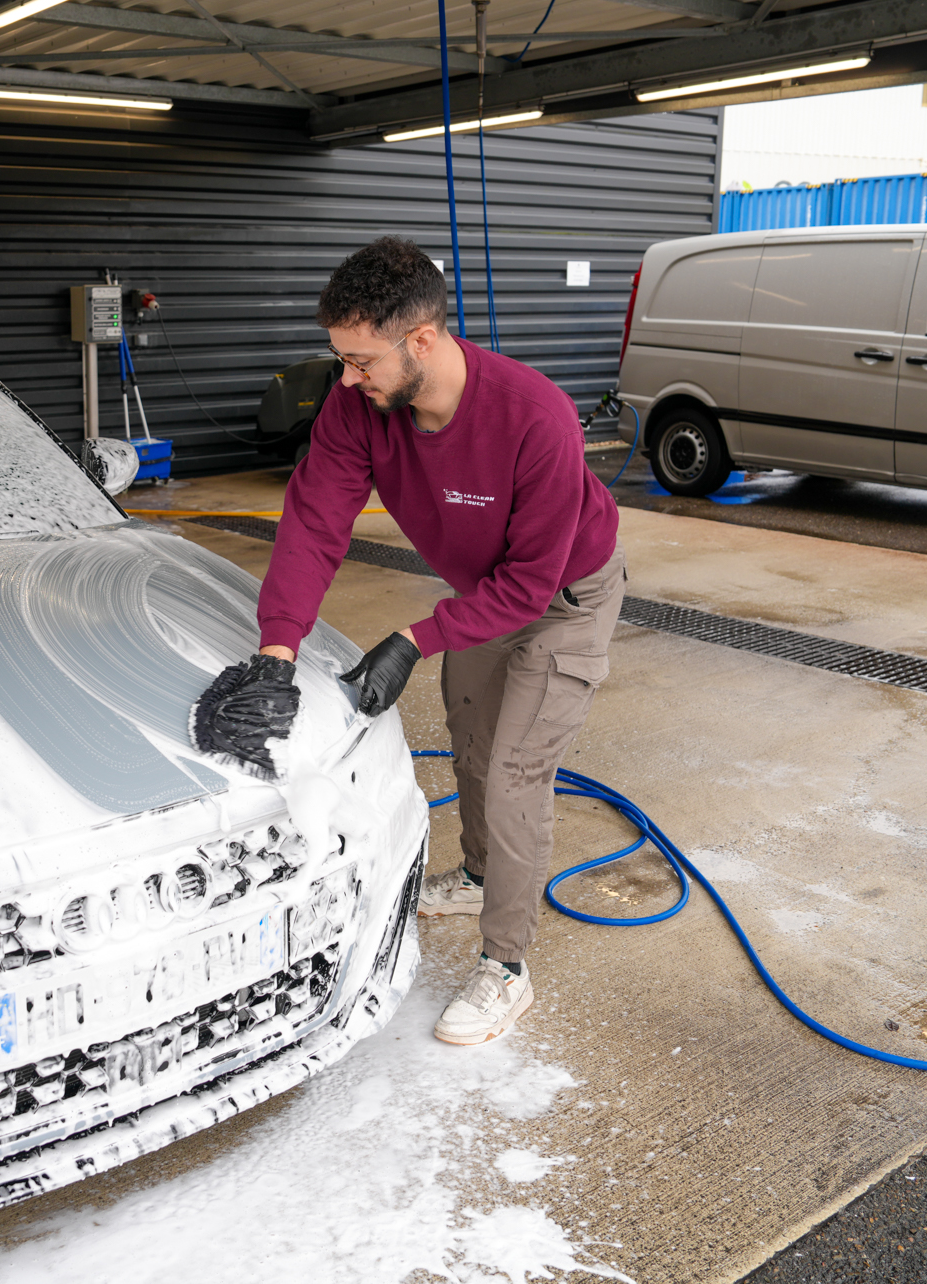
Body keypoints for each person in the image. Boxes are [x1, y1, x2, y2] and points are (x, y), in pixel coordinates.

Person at [217, 235, 624, 1045]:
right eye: (341, 359)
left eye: (362, 360)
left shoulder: (535, 416)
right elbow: (315, 520)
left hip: (563, 599)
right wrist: (278, 647)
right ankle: (478, 874)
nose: (347, 378)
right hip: (483, 595)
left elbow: (530, 584)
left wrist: (415, 637)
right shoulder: (358, 406)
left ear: (424, 341)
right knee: (471, 743)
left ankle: (506, 966)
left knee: (513, 774)